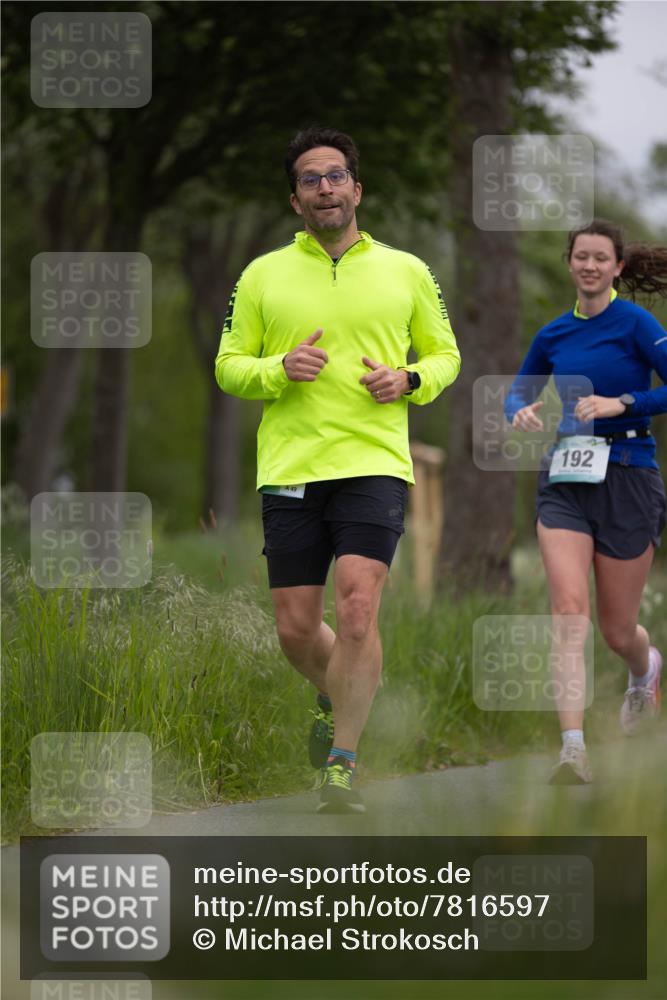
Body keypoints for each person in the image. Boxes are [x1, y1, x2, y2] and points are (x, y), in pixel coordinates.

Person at [214, 126, 461, 813]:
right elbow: (228, 366)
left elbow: (446, 355)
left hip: (374, 461)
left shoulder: (406, 269)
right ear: (294, 199)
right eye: (310, 179)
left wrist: (409, 378)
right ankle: (336, 692)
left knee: (356, 608)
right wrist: (278, 368)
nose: (324, 187)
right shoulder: (261, 274)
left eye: (335, 176)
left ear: (357, 188)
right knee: (295, 626)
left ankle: (342, 766)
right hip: (291, 463)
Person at [506, 219, 667, 784]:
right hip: (566, 479)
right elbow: (518, 392)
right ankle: (572, 749)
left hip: (629, 475)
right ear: (570, 263)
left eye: (602, 258)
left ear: (618, 267)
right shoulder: (553, 334)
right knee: (569, 612)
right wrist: (520, 411)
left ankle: (644, 670)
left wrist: (624, 402)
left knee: (617, 630)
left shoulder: (638, 324)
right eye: (582, 257)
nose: (591, 266)